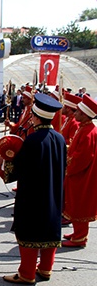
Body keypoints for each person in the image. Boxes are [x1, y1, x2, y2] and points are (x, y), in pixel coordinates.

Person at [1, 93, 66, 284]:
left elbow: (18, 169)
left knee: (29, 231)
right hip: (54, 191)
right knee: (50, 229)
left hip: (33, 193)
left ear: (35, 117)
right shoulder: (60, 139)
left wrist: (7, 161)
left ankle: (27, 273)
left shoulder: (33, 141)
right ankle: (45, 269)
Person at [61, 95, 97, 247]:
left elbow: (83, 157)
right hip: (78, 174)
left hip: (82, 175)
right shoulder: (85, 128)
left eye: (77, 112)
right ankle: (77, 232)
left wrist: (68, 165)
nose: (75, 114)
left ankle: (80, 238)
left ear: (84, 114)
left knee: (80, 204)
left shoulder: (88, 131)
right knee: (74, 203)